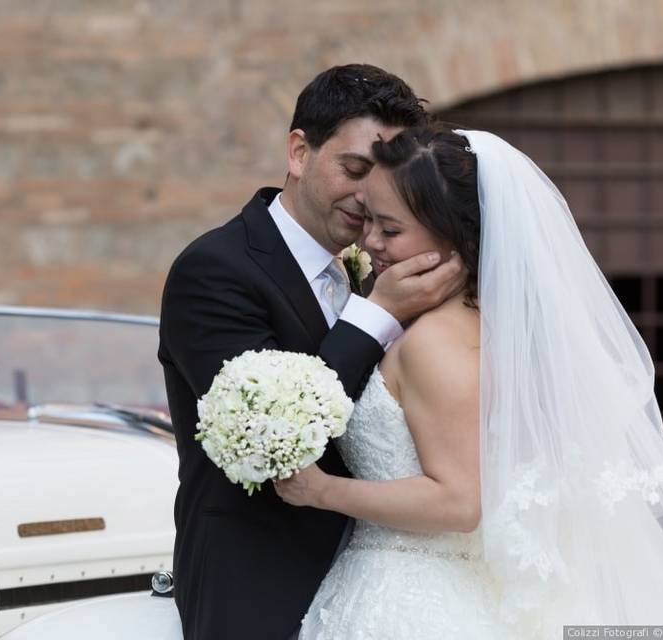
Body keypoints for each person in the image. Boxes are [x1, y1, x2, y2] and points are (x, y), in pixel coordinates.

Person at [275, 125, 663, 638]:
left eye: (390, 230)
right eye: (368, 219)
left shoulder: (435, 343)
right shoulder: (480, 327)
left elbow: (459, 501)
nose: (369, 241)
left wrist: (321, 491)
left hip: (413, 600)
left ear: (455, 237)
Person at [158, 65, 465, 640]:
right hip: (256, 580)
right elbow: (271, 431)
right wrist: (378, 314)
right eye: (354, 169)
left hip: (377, 581)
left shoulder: (372, 267)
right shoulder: (215, 271)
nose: (369, 196)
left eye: (386, 179)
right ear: (299, 152)